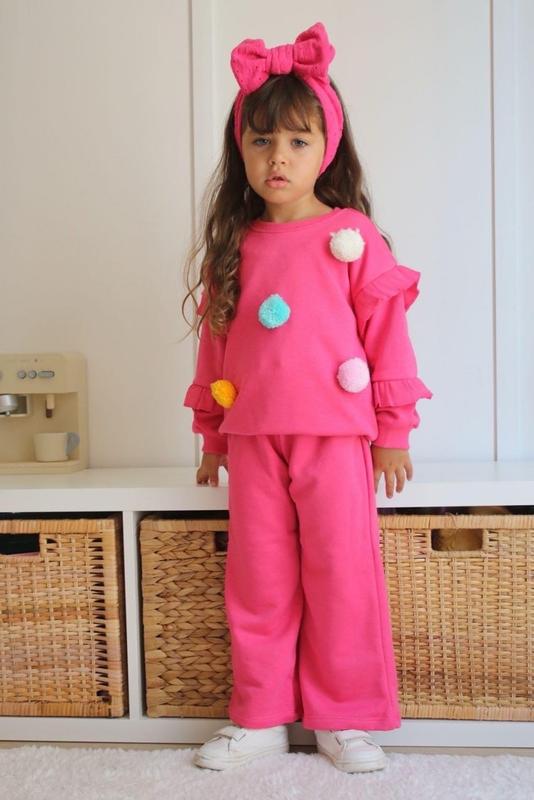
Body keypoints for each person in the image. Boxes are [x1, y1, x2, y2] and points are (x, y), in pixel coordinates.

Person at [181, 21, 433, 774]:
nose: (278, 157)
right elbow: (217, 349)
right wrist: (212, 436)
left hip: (336, 437)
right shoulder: (235, 245)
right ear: (241, 150)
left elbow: (387, 336)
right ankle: (259, 716)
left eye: (297, 140)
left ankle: (343, 716)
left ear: (327, 146)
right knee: (257, 582)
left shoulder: (351, 237)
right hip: (255, 440)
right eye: (261, 141)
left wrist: (394, 430)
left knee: (341, 575)